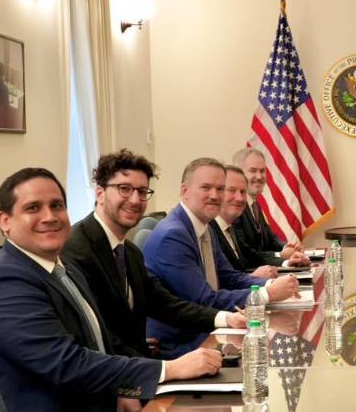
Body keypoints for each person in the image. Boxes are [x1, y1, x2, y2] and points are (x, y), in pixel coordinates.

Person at [0, 168, 223, 412]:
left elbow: (98, 340)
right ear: (5, 222)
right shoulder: (4, 282)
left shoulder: (60, 268)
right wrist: (168, 369)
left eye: (57, 205)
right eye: (33, 208)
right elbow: (67, 364)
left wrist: (123, 390)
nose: (50, 216)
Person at [64, 149, 247, 360]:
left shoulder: (129, 251)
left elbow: (163, 303)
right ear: (100, 193)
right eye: (124, 189)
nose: (135, 200)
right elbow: (96, 337)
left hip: (137, 361)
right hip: (117, 370)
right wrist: (166, 368)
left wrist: (225, 318)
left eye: (142, 191)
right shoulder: (76, 249)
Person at [143, 157, 298, 356]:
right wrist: (266, 294)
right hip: (180, 345)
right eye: (206, 188)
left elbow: (229, 277)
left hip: (208, 333)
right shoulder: (173, 235)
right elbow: (205, 300)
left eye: (220, 188)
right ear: (185, 191)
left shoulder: (204, 226)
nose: (215, 195)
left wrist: (270, 284)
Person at [210, 164, 304, 273]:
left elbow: (251, 257)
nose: (240, 198)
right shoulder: (209, 230)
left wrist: (287, 263)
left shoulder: (229, 228)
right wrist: (254, 277)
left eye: (243, 192)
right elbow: (223, 278)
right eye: (231, 190)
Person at [231, 147, 305, 264]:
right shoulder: (235, 208)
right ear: (239, 174)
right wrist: (280, 255)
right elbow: (245, 254)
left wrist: (287, 247)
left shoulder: (255, 204)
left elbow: (270, 239)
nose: (259, 176)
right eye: (253, 171)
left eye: (262, 171)